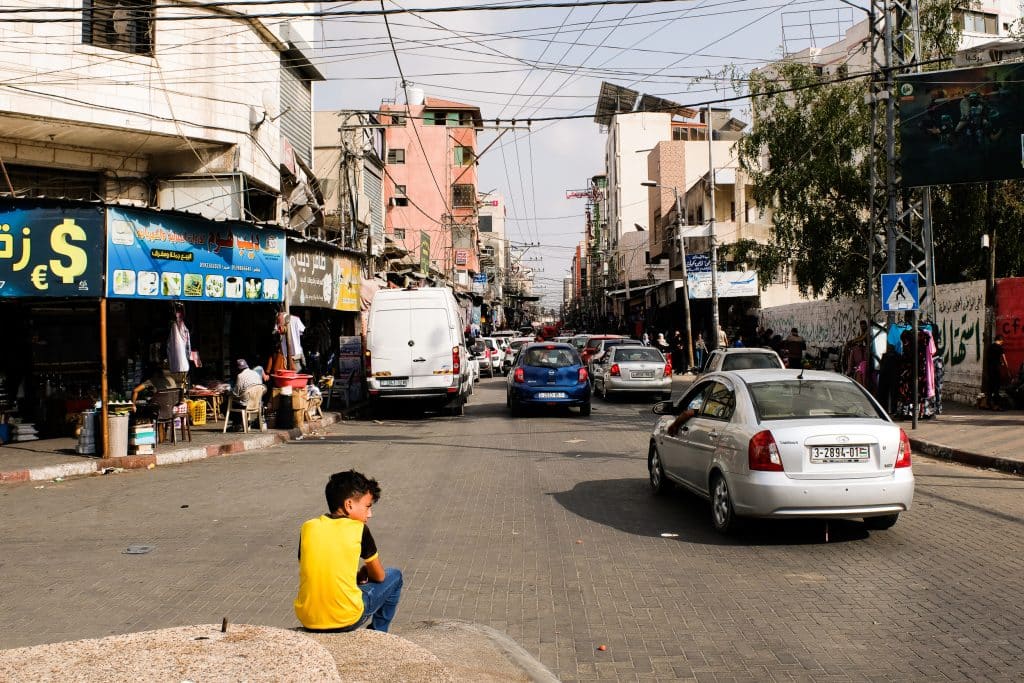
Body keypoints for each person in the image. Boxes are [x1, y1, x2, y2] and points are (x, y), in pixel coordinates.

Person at [294, 470, 403, 633]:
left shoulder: (308, 527)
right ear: (349, 504)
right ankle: (378, 632)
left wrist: (353, 577)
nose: (370, 514)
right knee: (395, 576)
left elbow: (318, 568)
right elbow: (380, 577)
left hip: (308, 618)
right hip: (346, 619)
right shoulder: (359, 529)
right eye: (367, 506)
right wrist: (367, 572)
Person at [983, 334, 1008, 410]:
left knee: (990, 387)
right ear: (1000, 340)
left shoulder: (989, 347)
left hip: (990, 370)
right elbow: (1004, 359)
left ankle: (988, 404)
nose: (1002, 342)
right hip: (996, 370)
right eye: (1002, 341)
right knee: (997, 387)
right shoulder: (1000, 348)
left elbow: (988, 358)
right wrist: (1007, 367)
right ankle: (996, 405)